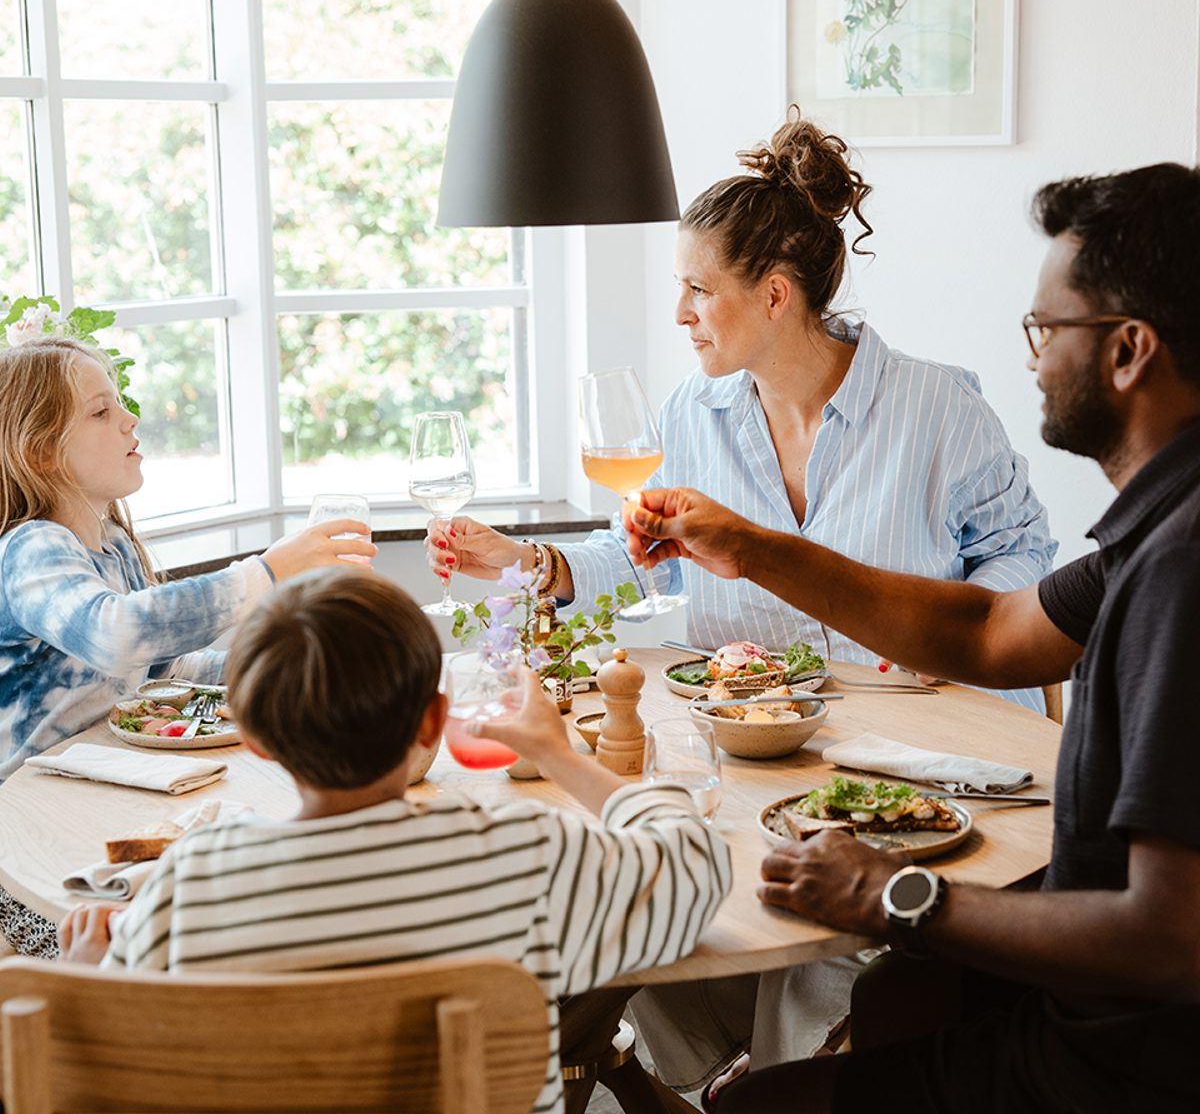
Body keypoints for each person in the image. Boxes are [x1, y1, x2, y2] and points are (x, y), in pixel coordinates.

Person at [621, 162, 1200, 1113]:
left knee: (758, 1100)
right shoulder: (1154, 531)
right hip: (1071, 989)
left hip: (1112, 1058)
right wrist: (755, 547)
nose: (1031, 358)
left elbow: (1172, 942)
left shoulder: (1182, 568)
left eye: (1046, 330)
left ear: (1129, 351)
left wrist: (898, 897)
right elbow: (988, 629)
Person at [426, 109, 1055, 714]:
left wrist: (951, 636)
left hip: (932, 729)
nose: (680, 312)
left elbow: (1022, 555)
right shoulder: (691, 412)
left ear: (775, 294)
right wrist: (529, 563)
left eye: (699, 289)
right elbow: (637, 556)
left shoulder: (938, 408)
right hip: (758, 739)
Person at [57, 567, 732, 1114]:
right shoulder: (521, 853)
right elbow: (695, 865)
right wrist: (558, 754)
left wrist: (85, 983)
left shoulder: (188, 886)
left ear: (255, 742)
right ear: (434, 722)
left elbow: (111, 1077)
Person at [0, 336, 375, 954]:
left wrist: (299, 667)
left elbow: (167, 669)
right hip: (33, 852)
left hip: (104, 796)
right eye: (100, 412)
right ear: (41, 452)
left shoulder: (111, 543)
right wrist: (268, 572)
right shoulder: (30, 549)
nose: (129, 420)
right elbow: (117, 634)